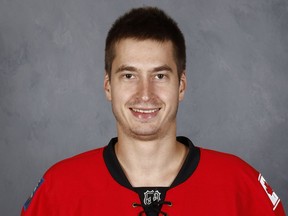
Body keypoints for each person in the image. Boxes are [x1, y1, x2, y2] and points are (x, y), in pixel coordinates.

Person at [21, 7, 285, 216]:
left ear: (181, 85)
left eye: (159, 75)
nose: (145, 94)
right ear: (108, 86)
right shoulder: (58, 189)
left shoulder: (240, 185)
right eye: (128, 75)